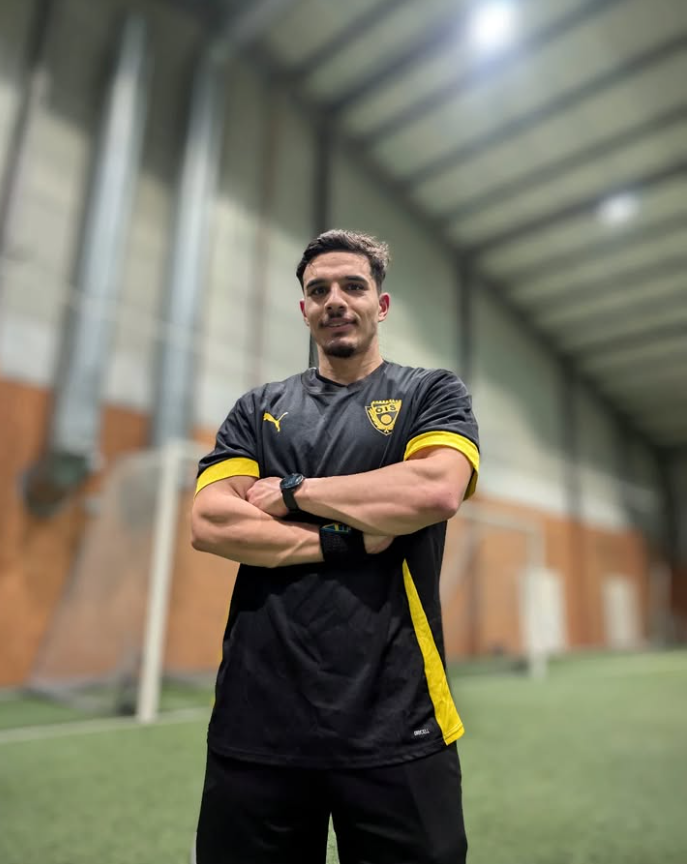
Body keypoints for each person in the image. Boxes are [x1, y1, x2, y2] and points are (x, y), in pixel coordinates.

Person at [191, 229, 480, 864]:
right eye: (318, 290)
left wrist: (293, 491)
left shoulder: (430, 393)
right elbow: (211, 522)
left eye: (353, 286)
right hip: (257, 719)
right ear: (304, 310)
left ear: (381, 304)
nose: (335, 301)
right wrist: (343, 541)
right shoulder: (258, 409)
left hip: (399, 717)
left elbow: (434, 489)